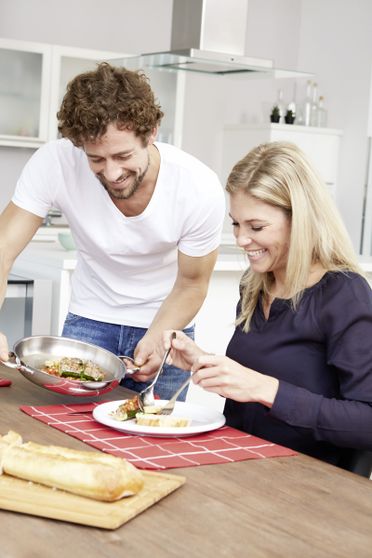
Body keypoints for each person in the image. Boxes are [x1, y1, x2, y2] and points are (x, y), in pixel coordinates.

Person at [0, 62, 225, 400]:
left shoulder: (198, 187)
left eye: (122, 155)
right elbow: (3, 246)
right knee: (67, 437)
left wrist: (157, 333)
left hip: (164, 327)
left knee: (153, 442)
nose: (112, 172)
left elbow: (192, 283)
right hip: (89, 322)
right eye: (96, 160)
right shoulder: (55, 163)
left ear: (151, 132)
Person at [163, 141, 372, 469]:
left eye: (256, 227)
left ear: (299, 220)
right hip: (238, 462)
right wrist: (204, 363)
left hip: (304, 483)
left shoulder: (345, 295)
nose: (241, 239)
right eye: (235, 223)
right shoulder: (256, 283)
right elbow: (255, 385)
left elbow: (366, 423)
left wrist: (264, 388)